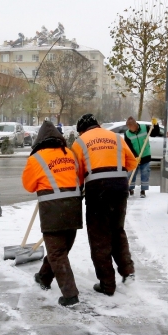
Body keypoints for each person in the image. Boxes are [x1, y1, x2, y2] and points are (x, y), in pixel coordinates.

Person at [71, 114, 137, 297]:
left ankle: (107, 284)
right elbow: (131, 163)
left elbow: (77, 173)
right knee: (117, 231)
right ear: (98, 125)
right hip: (120, 188)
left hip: (97, 190)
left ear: (82, 131)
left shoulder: (80, 142)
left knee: (99, 236)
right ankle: (127, 271)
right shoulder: (116, 137)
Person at [22, 121, 82, 307]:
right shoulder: (70, 154)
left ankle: (70, 295)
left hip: (52, 210)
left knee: (56, 253)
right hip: (73, 208)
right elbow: (79, 178)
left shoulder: (36, 158)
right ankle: (44, 277)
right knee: (61, 249)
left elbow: (28, 186)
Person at [124, 117, 162, 198]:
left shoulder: (144, 128)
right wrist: (135, 156)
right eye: (128, 127)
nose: (130, 129)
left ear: (135, 125)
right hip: (134, 157)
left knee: (145, 173)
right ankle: (130, 188)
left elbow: (155, 133)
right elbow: (128, 147)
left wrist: (155, 125)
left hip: (145, 155)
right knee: (131, 174)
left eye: (131, 127)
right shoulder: (127, 134)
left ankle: (143, 190)